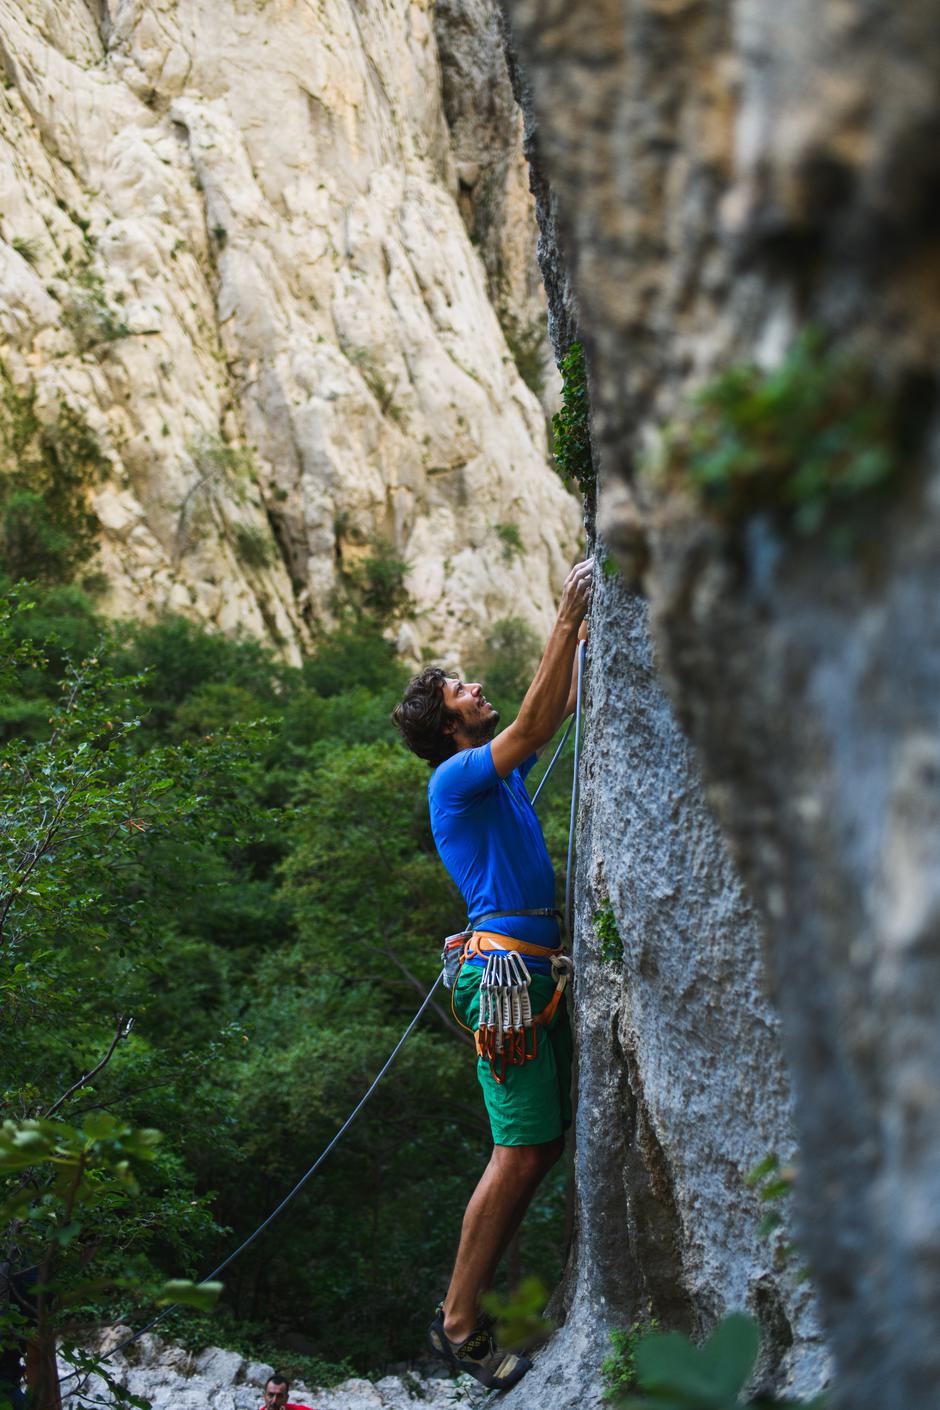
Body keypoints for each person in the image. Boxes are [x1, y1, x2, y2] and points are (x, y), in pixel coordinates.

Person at [392, 556, 593, 1391]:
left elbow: (566, 700)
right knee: (518, 1151)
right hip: (505, 978)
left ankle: (464, 1317)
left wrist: (589, 629)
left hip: (525, 973)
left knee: (538, 1149)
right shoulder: (456, 778)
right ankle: (457, 1322)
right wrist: (565, 614)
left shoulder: (488, 774)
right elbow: (542, 725)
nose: (476, 688)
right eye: (461, 693)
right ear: (450, 730)